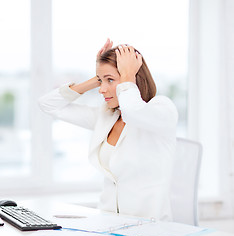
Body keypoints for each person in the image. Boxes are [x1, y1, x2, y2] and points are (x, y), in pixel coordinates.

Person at [38, 39, 178, 221]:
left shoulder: (162, 109)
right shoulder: (106, 117)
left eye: (110, 80)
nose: (102, 90)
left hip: (149, 229)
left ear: (134, 78)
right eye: (100, 82)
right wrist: (97, 78)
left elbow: (133, 111)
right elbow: (48, 105)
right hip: (109, 225)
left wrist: (127, 77)